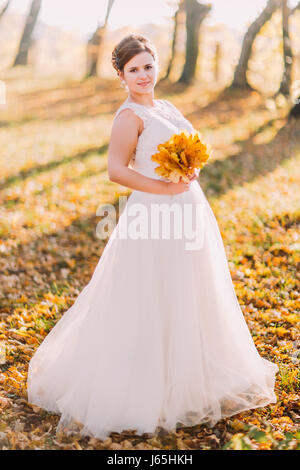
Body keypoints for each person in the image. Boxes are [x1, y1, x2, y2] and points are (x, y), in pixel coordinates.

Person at [27, 33, 278, 440]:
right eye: (133, 70)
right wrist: (162, 187)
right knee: (149, 292)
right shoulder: (129, 117)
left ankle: (191, 378)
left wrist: (189, 169)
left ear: (156, 65)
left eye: (148, 65)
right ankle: (143, 386)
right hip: (154, 213)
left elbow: (184, 147)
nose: (143, 75)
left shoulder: (166, 106)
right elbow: (116, 169)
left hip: (189, 207)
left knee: (189, 289)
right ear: (121, 75)